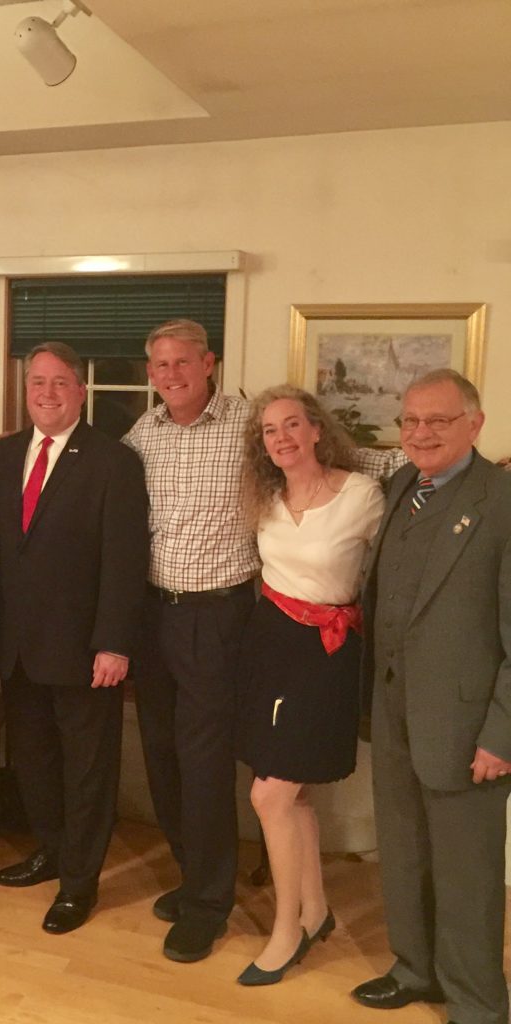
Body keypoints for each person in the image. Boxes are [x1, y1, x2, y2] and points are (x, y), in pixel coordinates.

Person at [123, 318, 402, 964]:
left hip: (221, 617)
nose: (171, 375)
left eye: (183, 362)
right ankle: (196, 874)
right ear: (150, 373)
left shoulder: (251, 424)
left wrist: (447, 464)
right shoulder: (142, 433)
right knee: (161, 751)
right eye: (159, 365)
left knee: (206, 762)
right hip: (154, 615)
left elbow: (346, 461)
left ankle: (208, 903)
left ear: (209, 362)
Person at [352, 369, 511, 1024]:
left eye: (438, 421)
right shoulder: (400, 488)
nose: (420, 433)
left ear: (474, 424)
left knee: (468, 876)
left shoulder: (502, 500)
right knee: (405, 849)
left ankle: (478, 1004)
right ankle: (415, 968)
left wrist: (501, 736)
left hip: (467, 721)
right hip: (394, 711)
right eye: (410, 420)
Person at [0, 343, 149, 934]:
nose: (47, 393)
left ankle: (79, 883)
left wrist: (115, 643)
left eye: (60, 382)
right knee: (35, 763)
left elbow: (125, 562)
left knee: (87, 771)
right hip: (16, 648)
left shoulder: (113, 462)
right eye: (37, 382)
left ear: (80, 391)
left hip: (84, 651)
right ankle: (50, 850)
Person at [234, 385, 384, 985]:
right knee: (290, 796)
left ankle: (286, 929)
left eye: (292, 424)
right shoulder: (265, 499)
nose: (283, 438)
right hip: (270, 644)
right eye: (270, 430)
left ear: (317, 429)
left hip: (327, 652)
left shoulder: (363, 495)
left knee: (267, 797)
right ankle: (316, 910)